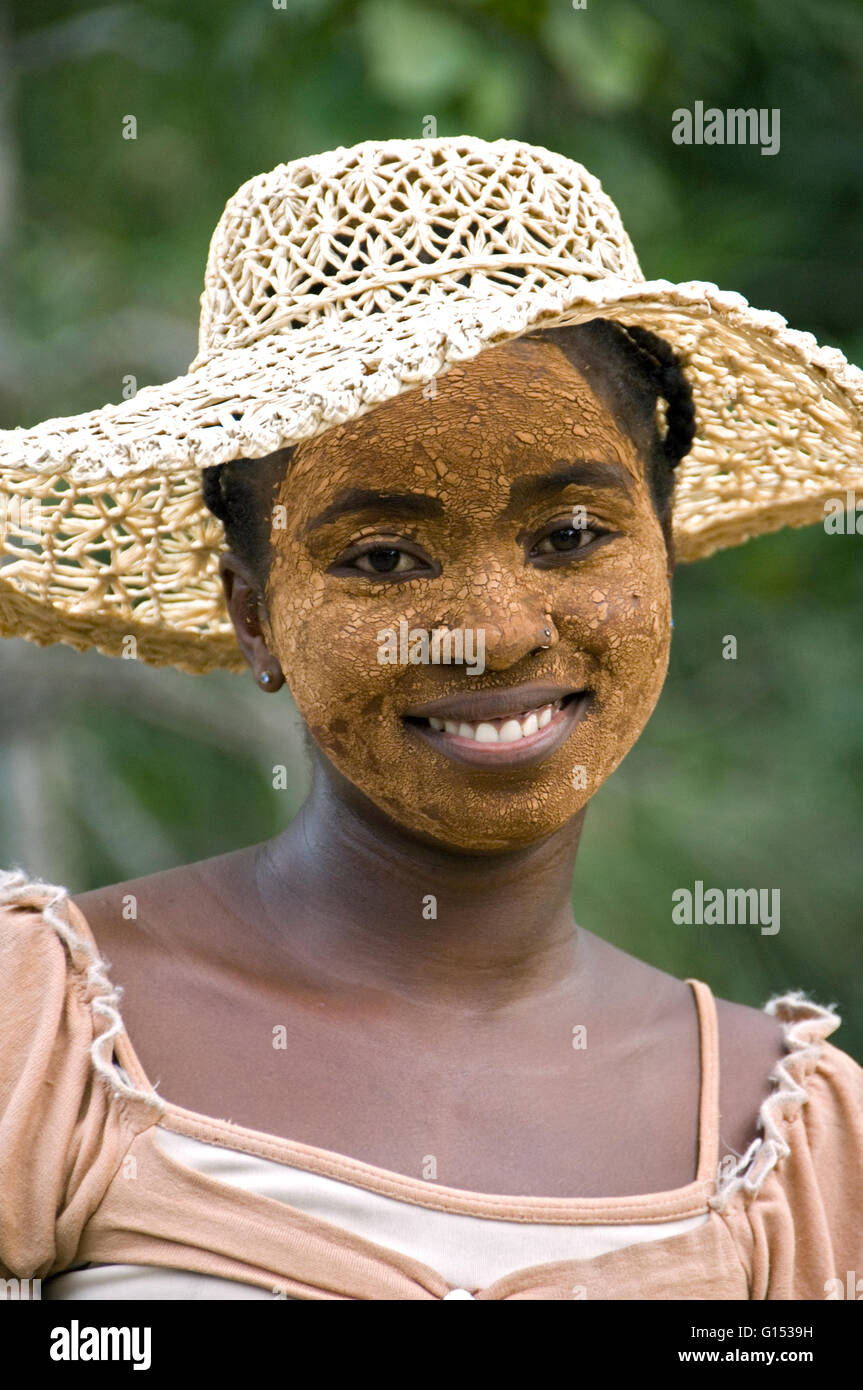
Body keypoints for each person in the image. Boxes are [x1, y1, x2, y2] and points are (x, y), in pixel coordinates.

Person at [0, 136, 861, 1301]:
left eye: (569, 535)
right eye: (383, 555)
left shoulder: (792, 1154)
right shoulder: (44, 1032)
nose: (495, 631)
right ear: (253, 617)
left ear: (663, 553)